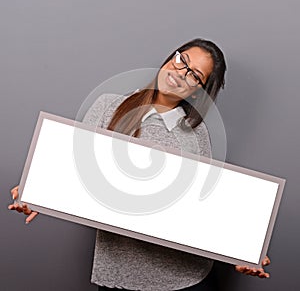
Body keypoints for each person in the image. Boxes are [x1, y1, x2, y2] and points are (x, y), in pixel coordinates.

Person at [8, 38, 270, 290]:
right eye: (182, 60)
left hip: (184, 277)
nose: (181, 72)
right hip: (119, 274)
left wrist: (246, 250)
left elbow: (206, 205)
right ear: (171, 57)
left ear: (199, 90)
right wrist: (37, 192)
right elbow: (75, 170)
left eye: (194, 75)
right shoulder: (109, 106)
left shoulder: (196, 134)